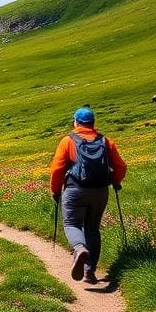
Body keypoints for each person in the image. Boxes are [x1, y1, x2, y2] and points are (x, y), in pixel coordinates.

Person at [49, 106, 127, 284]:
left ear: (76, 122)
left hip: (74, 189)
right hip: (100, 191)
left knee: (71, 224)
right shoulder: (106, 141)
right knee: (92, 229)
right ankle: (89, 272)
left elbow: (57, 170)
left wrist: (55, 190)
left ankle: (79, 248)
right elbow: (121, 167)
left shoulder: (68, 141)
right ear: (93, 123)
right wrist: (114, 180)